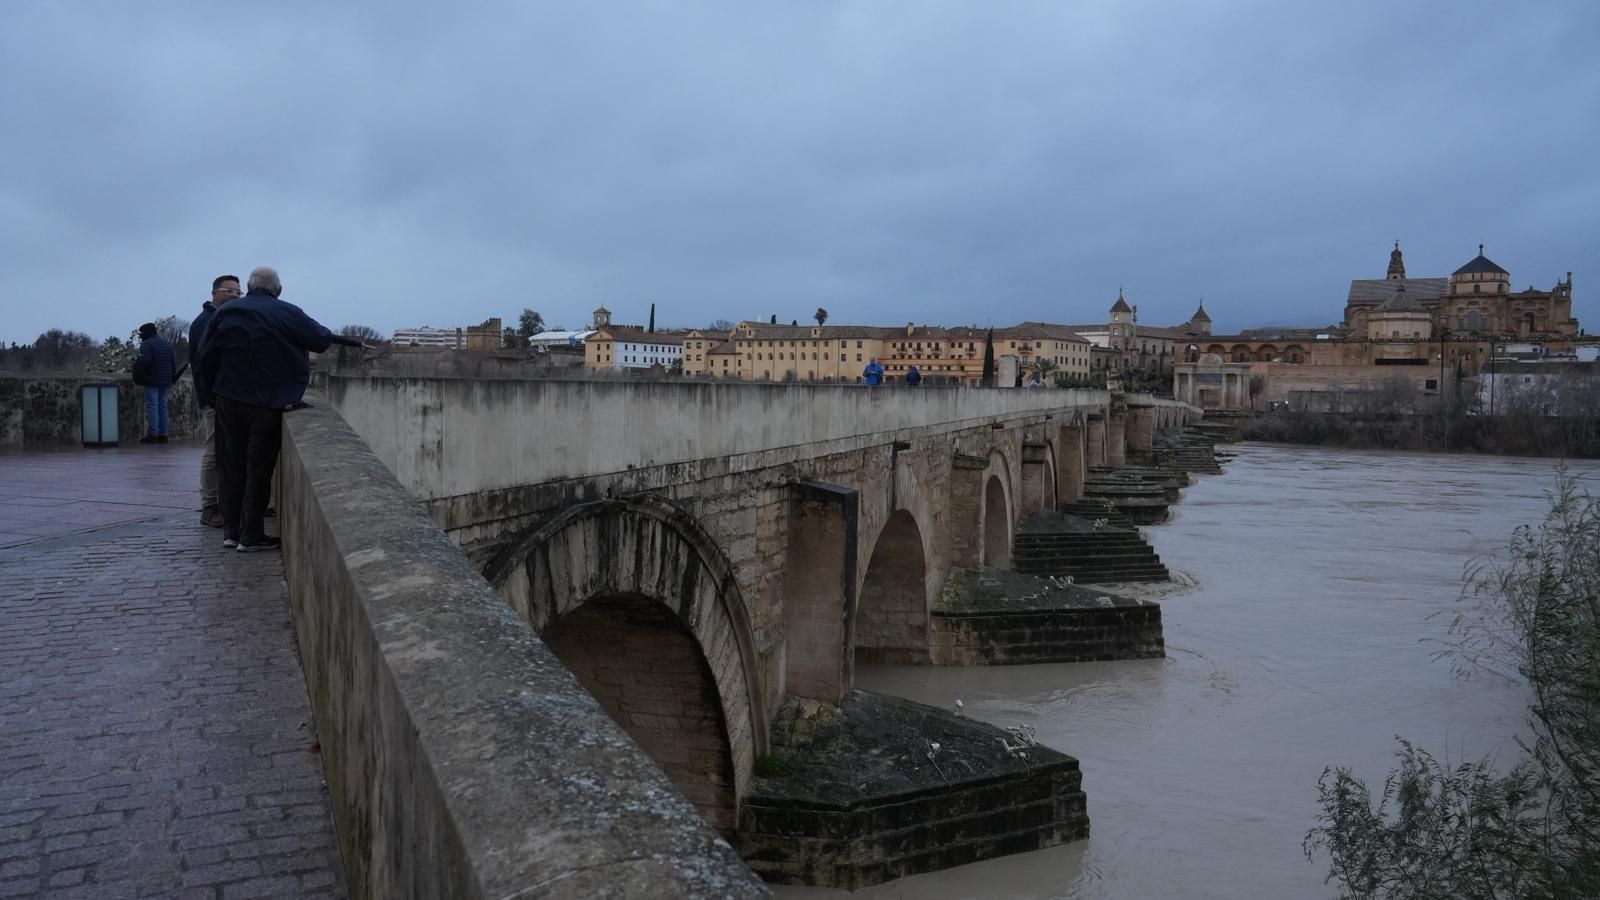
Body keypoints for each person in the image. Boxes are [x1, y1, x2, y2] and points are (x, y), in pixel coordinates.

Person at [199, 266, 361, 552]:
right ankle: (251, 535)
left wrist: (213, 392)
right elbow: (319, 339)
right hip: (268, 400)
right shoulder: (287, 312)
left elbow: (206, 354)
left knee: (231, 465)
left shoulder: (226, 312)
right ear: (278, 290)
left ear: (249, 286)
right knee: (258, 468)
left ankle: (231, 531)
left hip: (229, 397)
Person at [189, 274, 240, 527]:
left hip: (225, 396)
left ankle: (225, 504)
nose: (234, 296)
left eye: (238, 292)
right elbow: (202, 364)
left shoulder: (223, 318)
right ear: (214, 293)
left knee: (225, 451)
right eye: (228, 291)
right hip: (214, 398)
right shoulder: (205, 322)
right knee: (213, 452)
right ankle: (209, 507)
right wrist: (211, 398)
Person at [136, 322, 176, 444]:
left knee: (152, 406)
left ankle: (153, 434)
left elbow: (145, 360)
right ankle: (164, 434)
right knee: (163, 406)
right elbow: (173, 363)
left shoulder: (147, 344)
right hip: (166, 380)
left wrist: (136, 364)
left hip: (152, 379)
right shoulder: (167, 344)